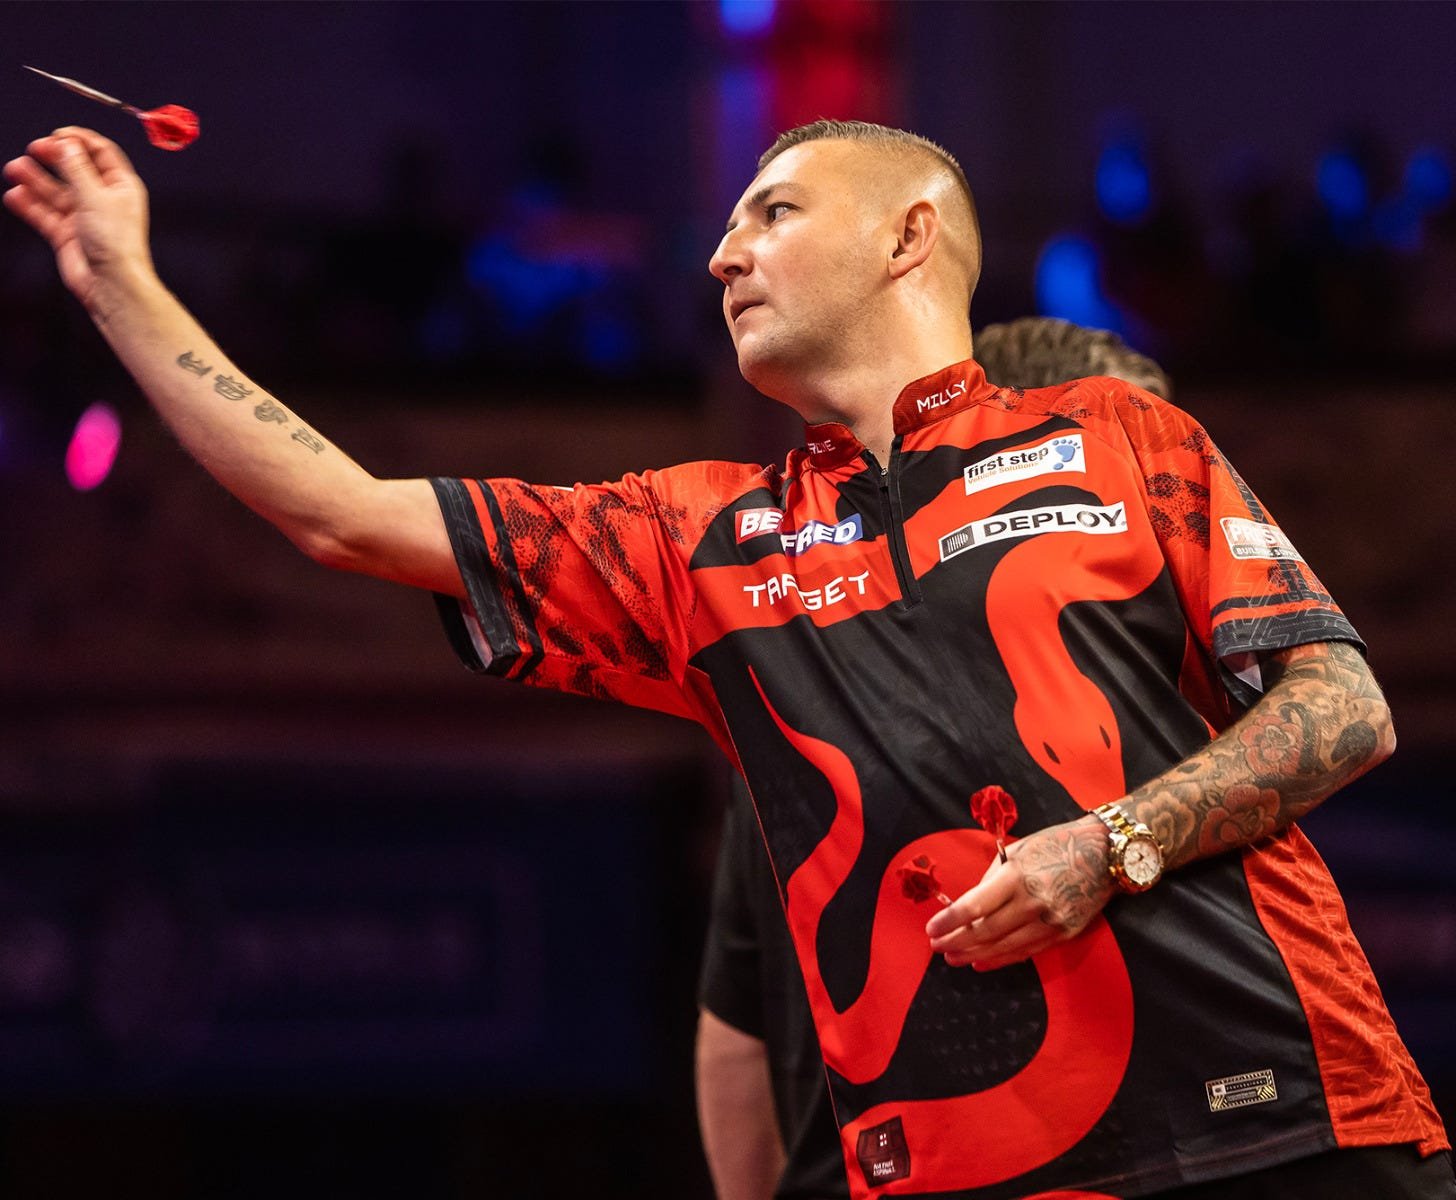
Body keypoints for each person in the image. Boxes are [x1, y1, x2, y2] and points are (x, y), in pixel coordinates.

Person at [5, 120, 1450, 1200]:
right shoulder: (694, 538)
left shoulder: (1124, 434)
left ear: (907, 236)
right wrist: (120, 280)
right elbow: (343, 514)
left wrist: (1109, 846)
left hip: (1297, 1125)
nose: (719, 254)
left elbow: (1344, 704)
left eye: (772, 210)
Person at [694, 318, 1176, 1200]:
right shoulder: (828, 711)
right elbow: (738, 1019)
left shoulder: (804, 693)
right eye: (1123, 481)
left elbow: (731, 1030)